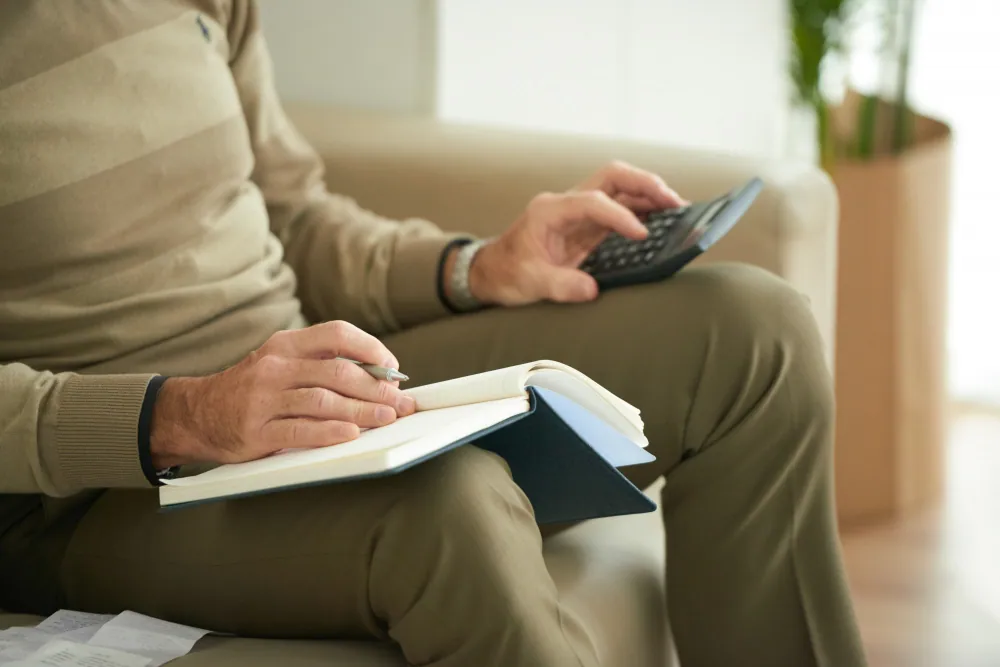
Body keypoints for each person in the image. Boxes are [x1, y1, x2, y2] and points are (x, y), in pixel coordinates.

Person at [0, 2, 867, 666]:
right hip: (85, 497)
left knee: (753, 334)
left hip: (301, 393)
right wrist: (182, 415)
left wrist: (474, 267)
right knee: (450, 504)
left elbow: (293, 215)